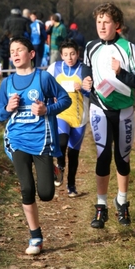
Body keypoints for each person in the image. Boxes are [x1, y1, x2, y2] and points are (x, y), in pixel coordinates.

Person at [0, 37, 71, 255]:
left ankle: (54, 169)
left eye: (20, 50)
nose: (15, 54)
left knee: (46, 193)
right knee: (26, 188)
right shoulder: (6, 83)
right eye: (12, 51)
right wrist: (8, 108)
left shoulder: (44, 78)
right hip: (17, 140)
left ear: (31, 54)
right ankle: (35, 237)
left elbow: (65, 100)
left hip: (42, 141)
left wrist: (47, 110)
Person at [82, 2, 135, 229]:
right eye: (98, 22)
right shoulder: (90, 46)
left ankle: (122, 201)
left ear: (116, 24)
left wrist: (121, 72)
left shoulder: (128, 48)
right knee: (102, 157)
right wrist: (85, 82)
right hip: (99, 109)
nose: (101, 26)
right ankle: (101, 207)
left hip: (124, 112)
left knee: (122, 159)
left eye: (106, 22)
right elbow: (86, 70)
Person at [47, 39, 90, 197]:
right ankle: (60, 165)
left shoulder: (84, 69)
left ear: (78, 54)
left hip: (79, 117)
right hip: (61, 114)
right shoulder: (55, 68)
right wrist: (52, 98)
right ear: (61, 55)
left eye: (72, 54)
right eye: (66, 54)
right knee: (62, 142)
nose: (69, 57)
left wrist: (83, 90)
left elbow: (91, 92)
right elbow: (46, 87)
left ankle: (71, 186)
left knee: (73, 155)